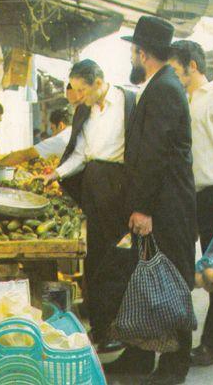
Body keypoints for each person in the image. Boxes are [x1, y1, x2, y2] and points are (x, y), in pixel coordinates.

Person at [105, 16, 198, 385]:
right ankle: (140, 355)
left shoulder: (163, 89)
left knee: (171, 280)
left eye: (133, 51)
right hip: (161, 202)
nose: (132, 57)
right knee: (143, 277)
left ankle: (175, 366)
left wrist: (143, 208)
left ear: (142, 53)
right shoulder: (162, 85)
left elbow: (155, 154)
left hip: (166, 206)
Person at [45, 59, 136, 353]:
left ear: (99, 82)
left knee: (119, 260)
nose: (78, 96)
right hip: (94, 183)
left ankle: (120, 328)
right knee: (95, 257)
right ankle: (100, 328)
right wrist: (56, 173)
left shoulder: (127, 101)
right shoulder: (84, 111)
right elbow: (80, 153)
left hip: (120, 183)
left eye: (82, 90)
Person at [169, 40, 213, 366]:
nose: (170, 73)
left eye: (174, 67)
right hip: (194, 194)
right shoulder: (185, 100)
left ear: (191, 65)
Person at [0, 108, 72, 166]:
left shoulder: (60, 139)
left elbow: (24, 155)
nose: (52, 135)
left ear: (61, 126)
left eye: (52, 129)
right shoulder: (74, 132)